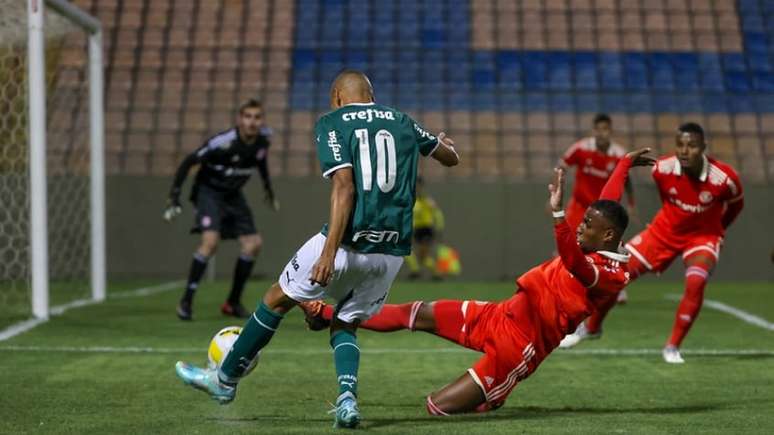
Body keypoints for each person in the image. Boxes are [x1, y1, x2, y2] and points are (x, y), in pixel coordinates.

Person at [173, 70, 460, 428]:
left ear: (338, 96)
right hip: (390, 253)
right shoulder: (402, 120)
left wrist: (328, 252)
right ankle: (347, 402)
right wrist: (444, 143)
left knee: (277, 299)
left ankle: (225, 379)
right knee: (345, 323)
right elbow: (450, 158)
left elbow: (344, 188)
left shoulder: (333, 122)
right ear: (371, 94)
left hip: (347, 242)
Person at [301, 149, 655, 415]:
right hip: (502, 315)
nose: (582, 225)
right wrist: (623, 163)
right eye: (583, 221)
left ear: (607, 235)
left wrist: (560, 214)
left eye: (588, 224)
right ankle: (326, 313)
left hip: (519, 348)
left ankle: (495, 393)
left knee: (435, 408)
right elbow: (607, 203)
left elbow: (576, 264)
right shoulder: (603, 236)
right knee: (417, 312)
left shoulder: (611, 274)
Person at [560, 123, 744, 364]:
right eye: (680, 145)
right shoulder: (662, 170)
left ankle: (672, 347)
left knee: (696, 281)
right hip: (663, 233)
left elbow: (736, 206)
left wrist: (719, 232)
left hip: (703, 237)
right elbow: (668, 200)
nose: (685, 150)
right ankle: (592, 328)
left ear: (704, 147)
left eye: (692, 145)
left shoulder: (725, 178)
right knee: (616, 275)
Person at [164, 99, 279, 321]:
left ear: (262, 120)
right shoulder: (223, 142)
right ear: (239, 119)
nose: (252, 122)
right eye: (248, 117)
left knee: (253, 244)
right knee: (210, 242)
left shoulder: (262, 142)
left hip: (233, 195)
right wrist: (174, 195)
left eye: (257, 117)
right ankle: (186, 301)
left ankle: (232, 302)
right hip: (209, 192)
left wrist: (268, 189)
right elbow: (189, 161)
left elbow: (260, 162)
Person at [559, 113, 637, 304]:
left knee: (613, 244)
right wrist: (556, 192)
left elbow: (626, 180)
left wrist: (632, 203)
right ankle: (568, 281)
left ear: (610, 131)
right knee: (571, 242)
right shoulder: (580, 148)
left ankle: (616, 284)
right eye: (598, 129)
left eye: (606, 129)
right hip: (579, 206)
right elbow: (562, 166)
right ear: (593, 131)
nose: (602, 133)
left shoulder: (618, 154)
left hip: (604, 207)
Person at [405, 177, 445, 280]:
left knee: (422, 256)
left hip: (426, 229)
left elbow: (437, 214)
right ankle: (419, 271)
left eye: (418, 185)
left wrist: (439, 227)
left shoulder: (427, 201)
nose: (417, 188)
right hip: (416, 230)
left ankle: (432, 272)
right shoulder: (413, 200)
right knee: (407, 250)